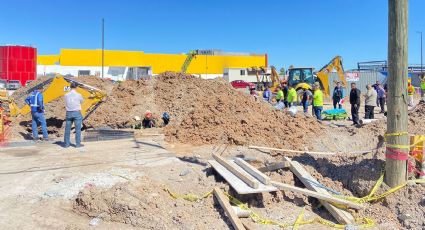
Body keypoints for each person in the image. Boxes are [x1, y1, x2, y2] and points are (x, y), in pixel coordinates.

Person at [64, 82, 84, 148]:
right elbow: (82, 101)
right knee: (78, 129)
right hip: (76, 113)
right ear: (76, 87)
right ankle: (78, 144)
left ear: (70, 87)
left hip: (68, 113)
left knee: (67, 129)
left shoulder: (66, 95)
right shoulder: (79, 95)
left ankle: (66, 144)